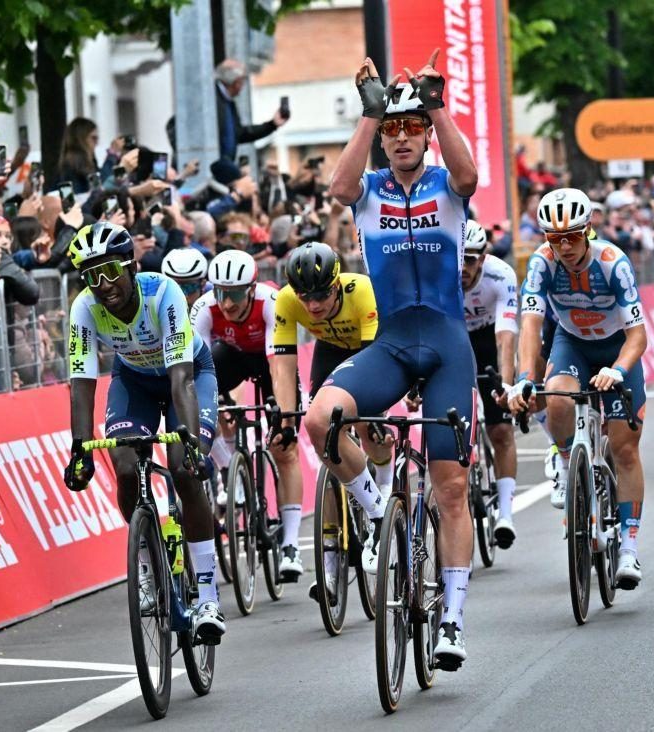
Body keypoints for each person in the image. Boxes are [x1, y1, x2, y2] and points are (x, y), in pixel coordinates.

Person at [304, 50, 478, 669]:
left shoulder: (444, 185)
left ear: (425, 135)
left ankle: (452, 619)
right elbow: (339, 187)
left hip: (449, 344)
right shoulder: (370, 191)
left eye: (412, 128)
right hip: (395, 342)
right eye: (393, 130)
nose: (402, 138)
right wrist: (368, 115)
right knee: (320, 418)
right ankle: (380, 517)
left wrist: (434, 104)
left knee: (450, 485)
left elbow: (469, 176)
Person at [62, 221, 224, 643]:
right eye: (91, 276)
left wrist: (189, 442)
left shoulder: (163, 292)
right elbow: (81, 385)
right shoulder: (83, 308)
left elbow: (182, 382)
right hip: (133, 381)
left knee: (185, 470)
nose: (103, 285)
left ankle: (207, 595)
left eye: (111, 271)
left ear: (131, 267)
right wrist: (79, 449)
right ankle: (149, 566)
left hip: (186, 376)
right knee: (127, 467)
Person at [508, 188, 648, 590]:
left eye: (572, 236)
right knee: (556, 395)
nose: (564, 246)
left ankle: (629, 548)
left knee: (624, 449)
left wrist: (619, 371)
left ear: (588, 230)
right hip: (573, 344)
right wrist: (523, 378)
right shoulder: (541, 264)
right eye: (555, 238)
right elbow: (531, 326)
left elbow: (638, 336)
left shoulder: (613, 263)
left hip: (616, 346)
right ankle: (568, 463)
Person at [269, 242, 392, 603]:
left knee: (371, 428)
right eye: (305, 296)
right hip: (330, 352)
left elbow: (375, 365)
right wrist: (286, 420)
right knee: (325, 445)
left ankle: (383, 492)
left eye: (321, 295)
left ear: (337, 285)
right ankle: (331, 568)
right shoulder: (286, 301)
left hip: (370, 350)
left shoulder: (362, 290)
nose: (312, 305)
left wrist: (378, 414)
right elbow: (284, 363)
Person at [190, 249, 306, 582]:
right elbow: (198, 369)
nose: (227, 303)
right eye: (221, 293)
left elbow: (279, 366)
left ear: (252, 289)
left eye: (236, 294)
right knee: (199, 411)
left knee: (285, 448)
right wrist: (215, 406)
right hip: (233, 358)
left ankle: (290, 545)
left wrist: (284, 420)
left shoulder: (271, 301)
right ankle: (231, 468)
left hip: (273, 362)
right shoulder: (205, 308)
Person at [460, 219, 519, 547]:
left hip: (488, 340)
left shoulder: (501, 276)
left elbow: (506, 338)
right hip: (455, 338)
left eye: (470, 259)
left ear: (483, 258)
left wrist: (506, 386)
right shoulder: (442, 273)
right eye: (459, 258)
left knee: (500, 430)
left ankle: (506, 514)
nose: (463, 267)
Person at [213, 59, 288, 177]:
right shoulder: (211, 99)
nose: (243, 85)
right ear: (236, 82)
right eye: (242, 80)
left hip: (225, 170)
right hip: (212, 170)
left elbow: (240, 134)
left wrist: (272, 125)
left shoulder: (228, 102)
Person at [57, 118, 101, 194]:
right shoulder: (71, 167)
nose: (97, 143)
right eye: (93, 138)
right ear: (81, 140)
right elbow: (98, 191)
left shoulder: (89, 162)